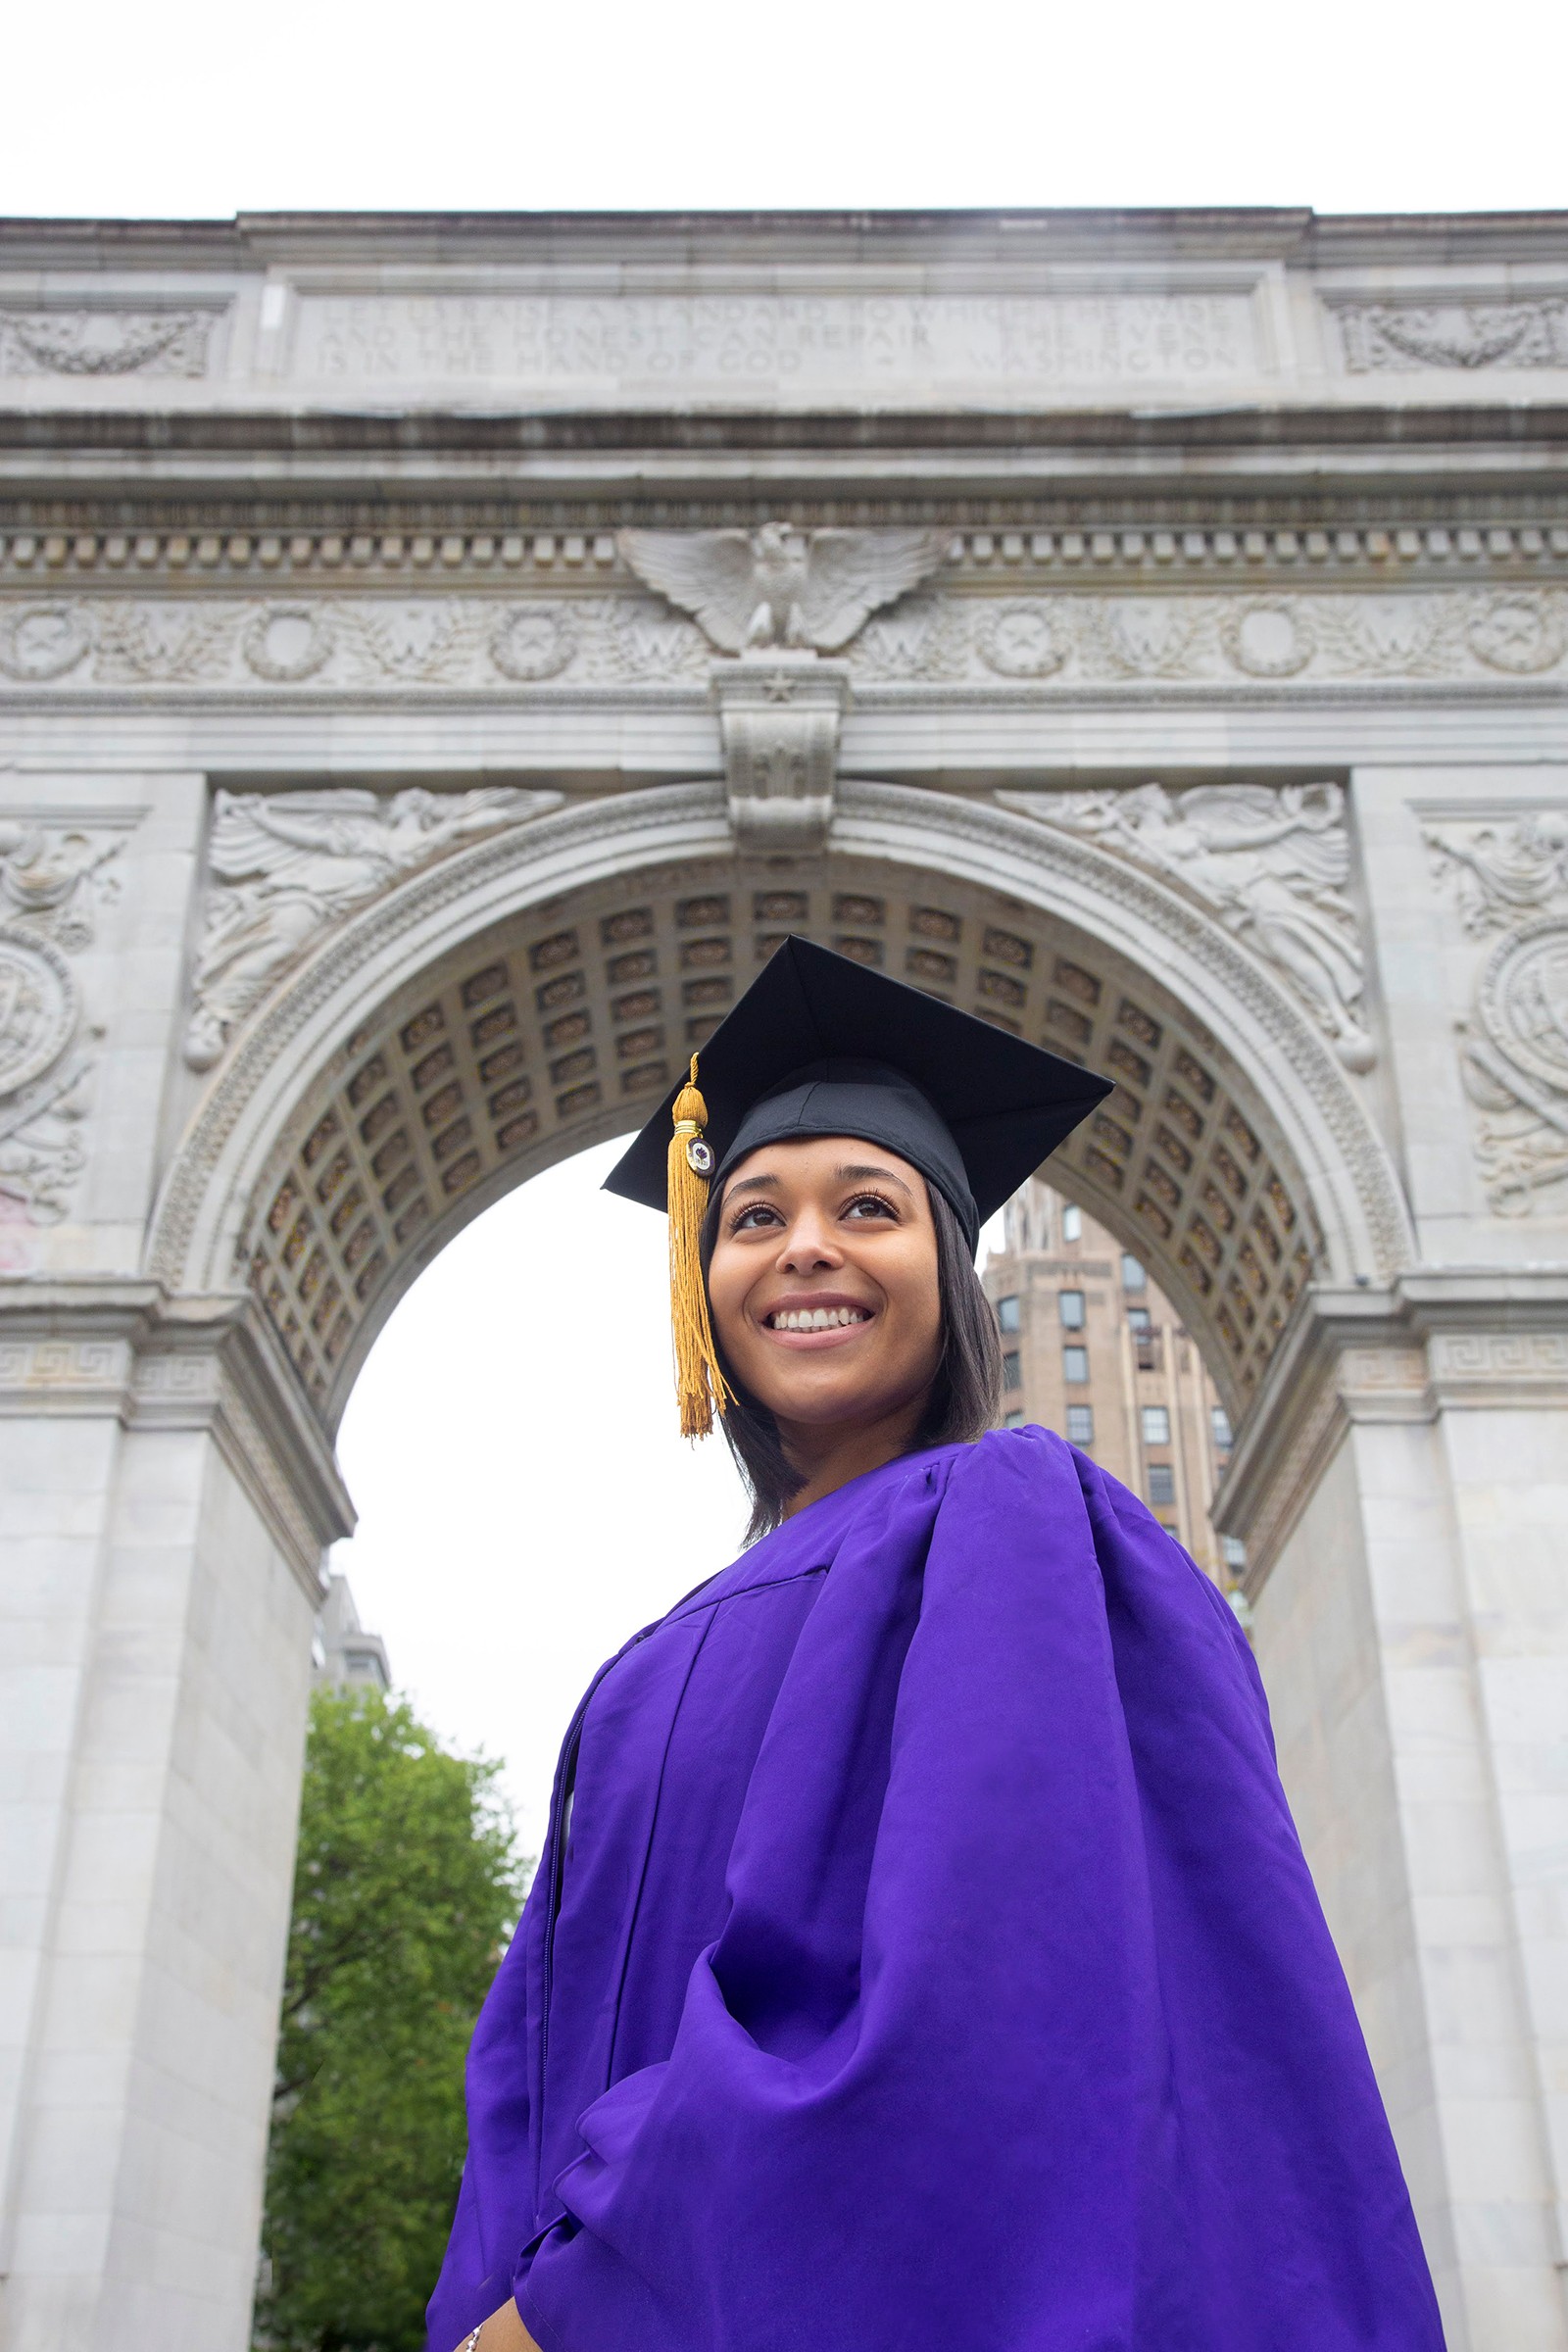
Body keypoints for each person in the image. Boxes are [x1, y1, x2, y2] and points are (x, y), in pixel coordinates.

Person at [428, 937, 1444, 2352]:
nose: (806, 1249)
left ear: (953, 1269)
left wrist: (574, 2303)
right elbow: (530, 2058)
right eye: (753, 1216)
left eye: (869, 1207)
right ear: (702, 1280)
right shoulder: (645, 1663)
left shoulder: (1011, 1524)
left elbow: (968, 1979)